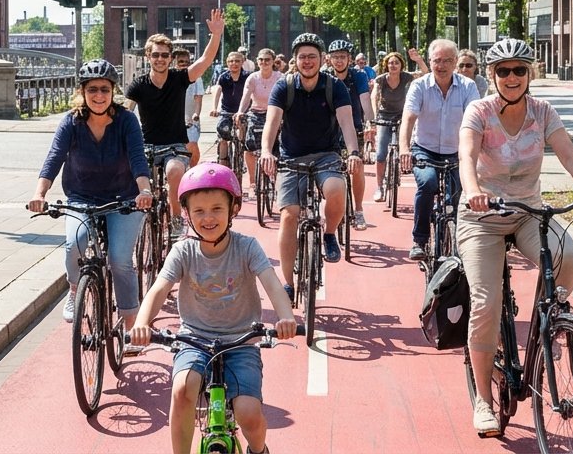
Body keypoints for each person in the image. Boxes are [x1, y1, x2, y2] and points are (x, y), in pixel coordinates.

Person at [459, 38, 573, 437]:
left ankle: (546, 322)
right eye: (503, 70)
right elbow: (466, 157)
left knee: (569, 257)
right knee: (487, 304)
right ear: (492, 76)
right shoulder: (479, 111)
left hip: (528, 211)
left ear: (530, 74)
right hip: (483, 217)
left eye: (519, 70)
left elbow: (568, 153)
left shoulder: (542, 113)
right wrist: (473, 190)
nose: (511, 77)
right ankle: (483, 401)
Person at [129, 163, 298, 454]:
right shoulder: (183, 251)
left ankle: (258, 450)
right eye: (199, 211)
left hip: (241, 342)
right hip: (194, 340)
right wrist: (143, 322)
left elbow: (271, 283)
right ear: (187, 214)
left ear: (233, 209)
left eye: (217, 209)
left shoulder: (247, 247)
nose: (208, 218)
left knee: (248, 413)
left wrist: (285, 316)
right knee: (182, 390)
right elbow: (159, 288)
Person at [29, 59, 153, 334]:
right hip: (82, 196)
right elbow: (54, 157)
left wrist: (144, 190)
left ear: (113, 92)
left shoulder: (126, 120)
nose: (99, 96)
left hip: (124, 198)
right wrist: (39, 193)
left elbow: (137, 158)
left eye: (105, 90)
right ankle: (75, 288)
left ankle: (131, 324)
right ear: (82, 92)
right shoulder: (71, 122)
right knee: (74, 244)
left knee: (120, 260)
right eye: (93, 89)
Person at [260, 33, 362, 297]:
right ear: (295, 60)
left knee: (337, 188)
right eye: (303, 57)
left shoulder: (333, 86)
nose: (307, 62)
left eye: (312, 57)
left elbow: (346, 123)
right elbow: (272, 123)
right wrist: (265, 151)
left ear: (322, 59)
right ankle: (287, 283)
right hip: (291, 158)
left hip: (326, 155)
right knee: (288, 214)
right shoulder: (284, 86)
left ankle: (329, 233)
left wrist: (353, 152)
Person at [126, 9, 225, 238]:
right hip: (146, 147)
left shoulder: (179, 79)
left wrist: (216, 35)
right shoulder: (138, 85)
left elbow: (205, 61)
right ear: (148, 57)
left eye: (164, 55)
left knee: (174, 171)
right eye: (155, 55)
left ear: (170, 58)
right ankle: (138, 221)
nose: (160, 59)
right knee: (134, 181)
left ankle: (176, 218)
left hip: (175, 146)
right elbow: (125, 110)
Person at [399, 39, 480, 261]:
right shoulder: (419, 86)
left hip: (457, 152)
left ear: (455, 62)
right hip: (425, 149)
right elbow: (408, 118)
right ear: (430, 62)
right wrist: (404, 148)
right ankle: (420, 239)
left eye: (447, 61)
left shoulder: (468, 87)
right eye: (436, 61)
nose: (441, 66)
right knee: (428, 183)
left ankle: (462, 242)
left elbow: (477, 121)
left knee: (460, 197)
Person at [325, 39, 373, 231]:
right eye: (335, 57)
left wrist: (370, 122)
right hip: (327, 129)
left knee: (356, 166)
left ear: (349, 59)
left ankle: (359, 210)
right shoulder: (323, 76)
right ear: (329, 59)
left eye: (342, 57)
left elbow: (365, 100)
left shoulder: (358, 76)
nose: (339, 61)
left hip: (353, 127)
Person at [370, 50, 415, 204]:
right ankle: (379, 187)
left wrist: (418, 59)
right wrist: (375, 116)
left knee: (405, 145)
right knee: (381, 153)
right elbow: (373, 96)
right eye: (390, 63)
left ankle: (399, 164)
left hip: (401, 115)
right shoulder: (381, 80)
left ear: (401, 65)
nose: (393, 65)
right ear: (386, 65)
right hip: (384, 115)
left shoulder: (406, 77)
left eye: (396, 62)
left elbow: (425, 73)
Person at [236, 47, 281, 196]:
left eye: (267, 60)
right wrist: (240, 112)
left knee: (278, 145)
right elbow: (246, 96)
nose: (264, 62)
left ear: (273, 61)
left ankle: (275, 176)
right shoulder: (253, 78)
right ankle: (253, 181)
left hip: (274, 114)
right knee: (249, 146)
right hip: (256, 113)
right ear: (257, 61)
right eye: (261, 60)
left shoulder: (280, 77)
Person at [209, 51, 250, 172]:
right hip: (226, 112)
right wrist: (214, 108)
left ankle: (241, 155)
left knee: (243, 135)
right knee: (223, 137)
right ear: (227, 63)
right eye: (231, 61)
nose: (234, 64)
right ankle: (223, 164)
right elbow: (217, 90)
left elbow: (252, 92)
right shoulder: (223, 77)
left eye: (237, 61)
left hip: (243, 112)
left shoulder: (248, 76)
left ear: (242, 62)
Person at [174, 48, 205, 166]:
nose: (184, 64)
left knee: (192, 144)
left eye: (187, 62)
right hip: (172, 120)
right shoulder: (169, 77)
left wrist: (196, 114)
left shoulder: (196, 77)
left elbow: (198, 98)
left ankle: (193, 171)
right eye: (181, 62)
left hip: (190, 120)